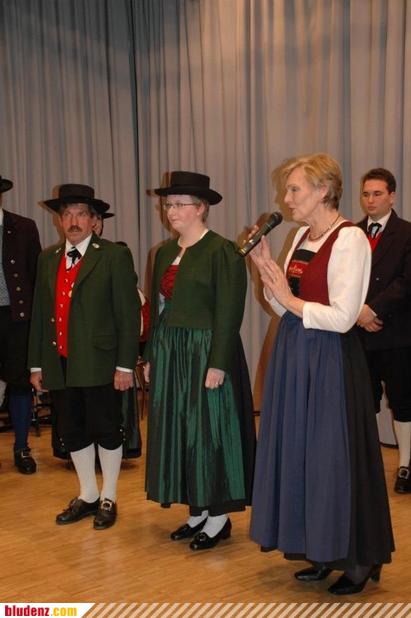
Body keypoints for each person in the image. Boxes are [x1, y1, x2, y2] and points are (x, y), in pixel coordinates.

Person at [249, 154, 394, 595]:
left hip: (330, 359)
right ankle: (320, 549)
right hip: (296, 354)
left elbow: (344, 317)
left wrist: (289, 300)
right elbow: (282, 305)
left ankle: (359, 558)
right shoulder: (299, 236)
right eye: (288, 189)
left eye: (294, 189)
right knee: (303, 454)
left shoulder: (349, 238)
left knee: (333, 458)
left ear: (323, 190)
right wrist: (266, 270)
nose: (287, 198)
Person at [144, 171, 255, 550]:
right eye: (168, 204)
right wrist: (151, 354)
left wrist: (218, 362)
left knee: (209, 431)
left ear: (201, 208)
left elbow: (230, 311)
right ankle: (196, 510)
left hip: (206, 351)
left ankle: (218, 516)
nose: (171, 211)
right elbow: (158, 309)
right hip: (172, 352)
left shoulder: (223, 251)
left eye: (179, 204)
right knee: (180, 429)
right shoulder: (163, 253)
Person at [28, 183, 140, 529]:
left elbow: (128, 314)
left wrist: (125, 365)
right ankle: (88, 494)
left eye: (80, 214)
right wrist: (37, 364)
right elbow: (40, 314)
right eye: (67, 214)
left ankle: (109, 497)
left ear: (94, 220)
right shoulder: (48, 258)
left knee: (106, 429)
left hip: (101, 363)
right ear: (59, 220)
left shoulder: (113, 256)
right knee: (72, 430)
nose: (73, 221)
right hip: (60, 363)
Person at [357, 168, 411, 493]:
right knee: (363, 401)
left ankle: (406, 465)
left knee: (403, 400)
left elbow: (406, 282)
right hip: (358, 333)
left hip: (397, 334)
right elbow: (342, 280)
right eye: (366, 194)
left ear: (392, 196)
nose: (370, 200)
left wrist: (373, 310)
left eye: (377, 194)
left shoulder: (407, 233)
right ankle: (368, 465)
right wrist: (358, 314)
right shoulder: (351, 233)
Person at [0, 174, 41, 474]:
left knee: (20, 383)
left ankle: (22, 448)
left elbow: (36, 277)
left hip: (17, 319)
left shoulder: (24, 227)